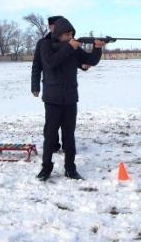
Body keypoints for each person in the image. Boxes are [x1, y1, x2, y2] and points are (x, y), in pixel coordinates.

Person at [37, 17, 105, 181]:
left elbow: (90, 61)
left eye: (71, 34)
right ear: (58, 34)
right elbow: (51, 62)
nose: (69, 36)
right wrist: (69, 47)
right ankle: (46, 168)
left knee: (69, 136)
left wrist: (97, 48)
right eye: (66, 34)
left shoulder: (73, 48)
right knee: (50, 136)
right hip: (52, 99)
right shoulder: (45, 45)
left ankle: (70, 169)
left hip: (70, 99)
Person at [31, 16, 91, 153]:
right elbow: (37, 66)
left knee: (67, 125)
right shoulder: (43, 43)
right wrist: (35, 86)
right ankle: (53, 146)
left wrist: (82, 65)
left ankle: (66, 147)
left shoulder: (68, 42)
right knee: (51, 124)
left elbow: (72, 59)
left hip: (67, 91)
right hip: (51, 89)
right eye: (52, 26)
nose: (53, 28)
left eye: (55, 26)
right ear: (50, 28)